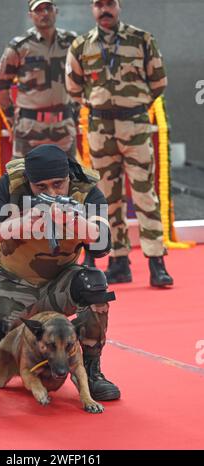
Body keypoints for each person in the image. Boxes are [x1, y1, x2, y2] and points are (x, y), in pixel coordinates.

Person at [0, 144, 120, 401]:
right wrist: (15, 225)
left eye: (58, 184)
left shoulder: (85, 190)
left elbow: (103, 246)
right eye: (41, 187)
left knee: (94, 284)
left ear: (68, 177)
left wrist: (77, 223)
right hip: (13, 282)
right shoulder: (12, 185)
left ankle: (90, 369)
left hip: (60, 283)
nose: (52, 192)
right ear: (30, 182)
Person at [65, 0, 174, 287]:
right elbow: (73, 86)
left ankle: (156, 262)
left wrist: (132, 105)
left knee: (144, 195)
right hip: (101, 128)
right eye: (99, 4)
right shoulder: (81, 45)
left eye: (109, 3)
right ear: (92, 8)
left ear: (119, 6)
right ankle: (118, 260)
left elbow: (158, 82)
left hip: (134, 125)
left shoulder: (142, 39)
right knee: (107, 197)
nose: (105, 9)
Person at [0, 0, 78, 160]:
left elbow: (83, 80)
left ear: (56, 11)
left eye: (48, 8)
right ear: (30, 15)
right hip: (29, 128)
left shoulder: (72, 42)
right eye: (38, 10)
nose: (44, 13)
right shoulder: (20, 47)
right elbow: (0, 86)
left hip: (63, 127)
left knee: (68, 179)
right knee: (23, 181)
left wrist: (75, 112)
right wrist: (12, 118)